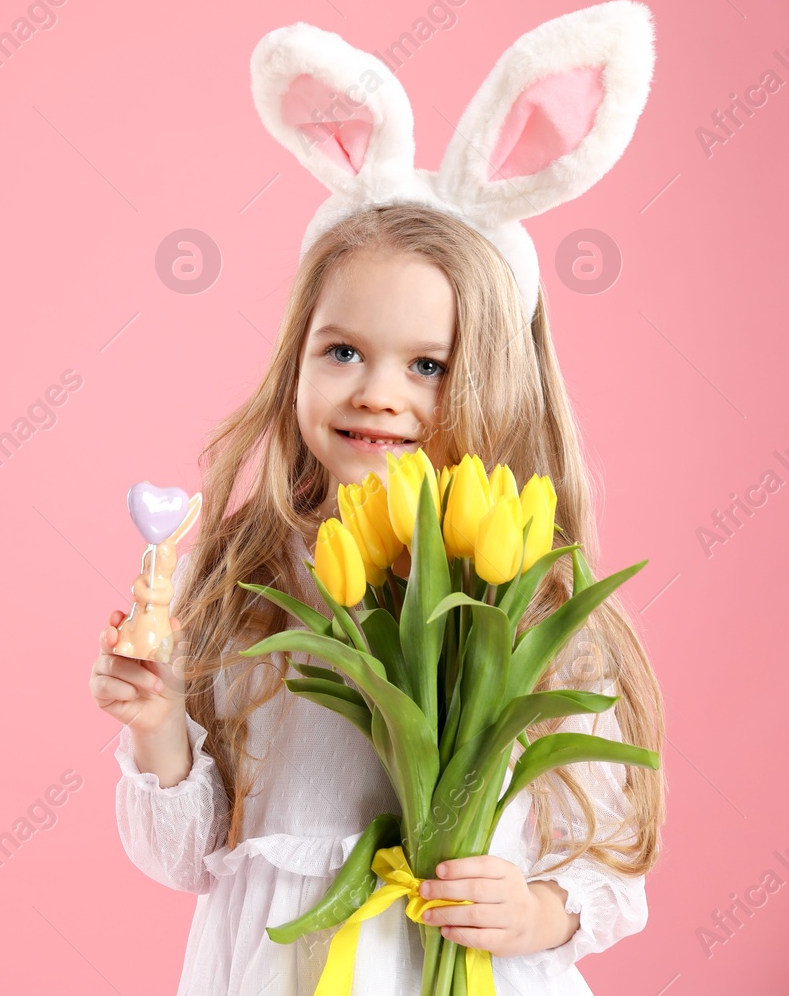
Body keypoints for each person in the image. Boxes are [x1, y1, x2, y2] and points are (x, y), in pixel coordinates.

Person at [89, 202, 665, 994]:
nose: (377, 393)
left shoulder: (531, 599)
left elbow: (607, 867)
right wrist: (158, 727)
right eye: (344, 351)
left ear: (492, 385)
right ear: (296, 360)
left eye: (427, 365)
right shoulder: (240, 573)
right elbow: (189, 860)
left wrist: (531, 911)